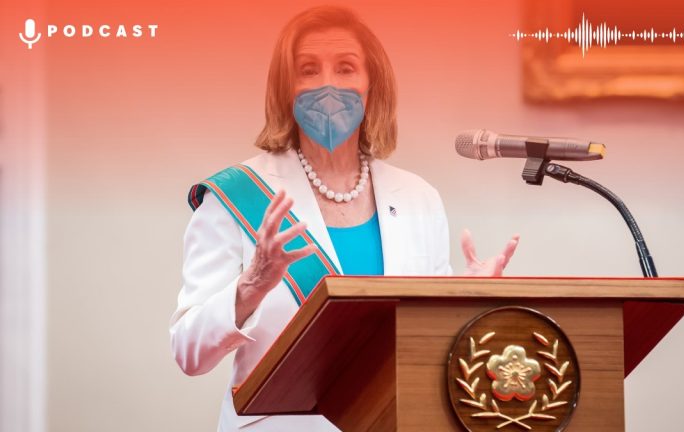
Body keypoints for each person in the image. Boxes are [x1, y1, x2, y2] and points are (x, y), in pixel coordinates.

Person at [169, 5, 519, 431]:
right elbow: (188, 352)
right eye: (308, 70)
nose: (328, 84)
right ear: (284, 88)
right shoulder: (236, 196)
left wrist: (469, 304)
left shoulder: (418, 198)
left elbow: (430, 347)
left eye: (346, 68)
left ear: (373, 85)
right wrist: (251, 286)